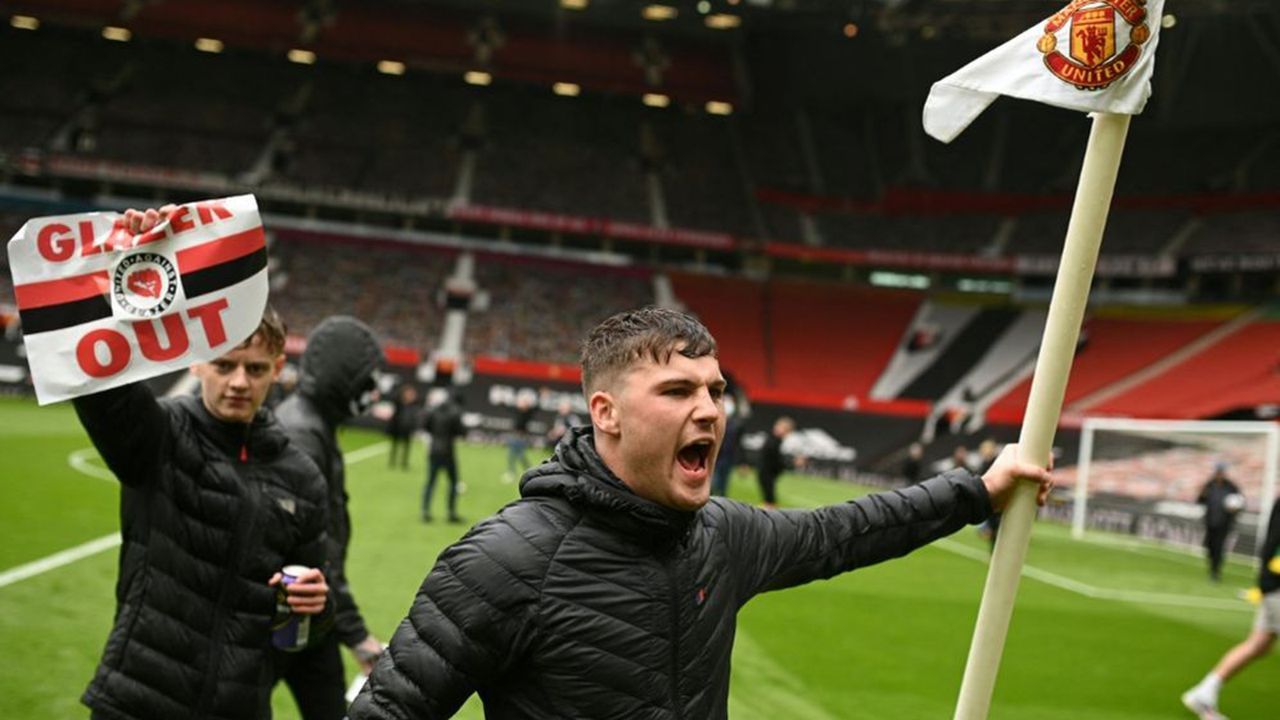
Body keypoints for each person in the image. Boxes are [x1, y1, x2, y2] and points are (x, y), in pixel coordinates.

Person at [347, 305, 1052, 719]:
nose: (710, 410)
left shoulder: (721, 535)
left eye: (715, 390)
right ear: (607, 413)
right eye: (678, 390)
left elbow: (849, 530)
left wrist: (976, 492)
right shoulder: (507, 559)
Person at [70, 215, 332, 720]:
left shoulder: (302, 477)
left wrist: (319, 611)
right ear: (195, 362)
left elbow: (302, 637)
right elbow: (100, 377)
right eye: (224, 364)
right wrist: (122, 265)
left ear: (278, 370)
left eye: (255, 369)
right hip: (136, 702)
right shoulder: (161, 436)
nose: (238, 382)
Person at [273, 315, 387, 720]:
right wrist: (357, 634)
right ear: (343, 376)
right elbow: (313, 549)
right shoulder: (303, 432)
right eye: (367, 379)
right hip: (284, 607)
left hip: (305, 605)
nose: (373, 392)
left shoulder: (314, 425)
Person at [1181, 499, 1280, 719]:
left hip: (1272, 584)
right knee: (1258, 644)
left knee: (1260, 644)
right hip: (1276, 585)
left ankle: (1205, 692)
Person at [421, 389, 467, 523]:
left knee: (430, 482)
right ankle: (451, 512)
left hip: (434, 449)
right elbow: (461, 431)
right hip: (447, 451)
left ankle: (425, 511)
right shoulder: (454, 413)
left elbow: (425, 426)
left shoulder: (432, 411)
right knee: (452, 482)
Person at [1197, 461, 1243, 582]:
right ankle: (1212, 567)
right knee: (1209, 546)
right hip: (1210, 521)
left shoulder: (1232, 487)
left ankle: (1215, 572)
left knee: (1219, 547)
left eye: (1221, 472)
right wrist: (1201, 495)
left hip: (1224, 523)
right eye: (1218, 472)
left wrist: (1234, 510)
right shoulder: (1209, 485)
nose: (1219, 474)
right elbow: (1200, 500)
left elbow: (1240, 504)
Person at [756, 415, 796, 510]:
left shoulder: (775, 441)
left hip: (767, 474)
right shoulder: (773, 442)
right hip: (766, 474)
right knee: (770, 502)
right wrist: (792, 464)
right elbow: (776, 461)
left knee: (769, 501)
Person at [709, 394, 745, 496]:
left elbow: (738, 445)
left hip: (728, 458)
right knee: (712, 483)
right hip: (714, 457)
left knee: (723, 484)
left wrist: (742, 462)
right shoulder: (713, 420)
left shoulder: (736, 424)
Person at [386, 384, 419, 470]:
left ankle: (404, 462)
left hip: (407, 427)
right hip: (397, 426)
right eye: (408, 393)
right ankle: (392, 460)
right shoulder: (398, 402)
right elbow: (393, 398)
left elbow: (414, 416)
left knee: (406, 445)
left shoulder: (413, 404)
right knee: (395, 444)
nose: (409, 395)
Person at [503, 395, 535, 483]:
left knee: (521, 456)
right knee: (511, 455)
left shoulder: (528, 413)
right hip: (514, 436)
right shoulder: (517, 411)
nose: (520, 404)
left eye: (523, 402)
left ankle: (530, 472)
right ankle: (511, 472)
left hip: (521, 437)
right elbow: (508, 408)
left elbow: (536, 407)